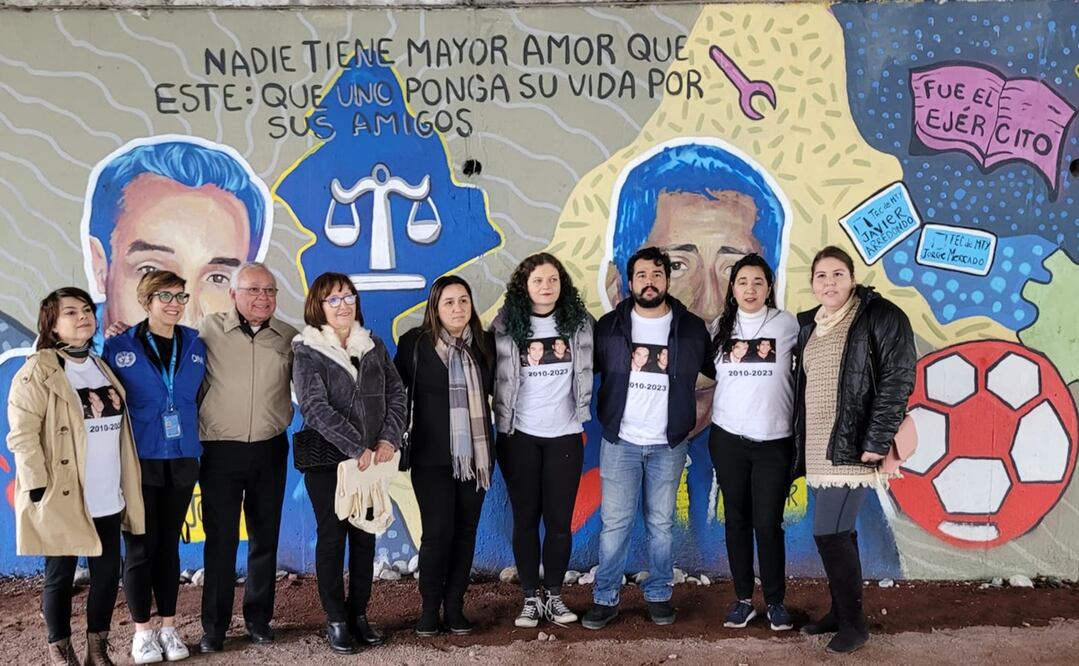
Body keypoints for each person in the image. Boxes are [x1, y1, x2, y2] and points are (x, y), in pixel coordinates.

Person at [6, 287, 144, 665]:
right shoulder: (39, 369)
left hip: (106, 491)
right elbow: (22, 434)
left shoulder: (100, 366)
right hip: (62, 493)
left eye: (86, 310)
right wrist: (37, 486)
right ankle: (60, 651)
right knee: (60, 575)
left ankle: (97, 650)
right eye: (71, 312)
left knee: (105, 574)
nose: (83, 316)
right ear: (52, 323)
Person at [582, 247, 713, 630]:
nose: (649, 281)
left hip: (668, 444)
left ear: (666, 279)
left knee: (661, 524)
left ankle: (658, 595)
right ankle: (605, 597)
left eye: (657, 274)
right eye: (641, 275)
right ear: (630, 281)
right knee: (615, 524)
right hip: (620, 441)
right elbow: (586, 367)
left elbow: (717, 369)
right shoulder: (609, 326)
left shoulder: (691, 328)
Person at [794, 246, 915, 653]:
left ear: (852, 277)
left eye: (837, 274)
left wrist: (878, 441)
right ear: (812, 283)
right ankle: (839, 613)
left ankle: (855, 625)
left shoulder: (879, 316)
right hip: (820, 447)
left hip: (854, 448)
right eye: (821, 276)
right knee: (839, 533)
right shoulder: (810, 325)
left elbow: (898, 378)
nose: (829, 283)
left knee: (828, 533)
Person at [292, 273, 407, 654]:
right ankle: (336, 619)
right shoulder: (307, 350)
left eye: (348, 296)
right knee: (332, 538)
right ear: (318, 307)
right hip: (330, 464)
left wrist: (388, 438)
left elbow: (396, 394)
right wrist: (355, 446)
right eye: (333, 299)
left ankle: (359, 614)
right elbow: (314, 407)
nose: (343, 304)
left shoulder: (372, 344)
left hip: (373, 459)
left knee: (364, 538)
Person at [103, 271, 206, 663]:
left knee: (168, 545)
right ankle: (143, 632)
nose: (174, 303)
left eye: (180, 296)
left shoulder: (196, 343)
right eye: (165, 296)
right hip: (139, 459)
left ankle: (169, 627)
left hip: (182, 457)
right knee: (141, 545)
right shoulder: (119, 346)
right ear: (146, 301)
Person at [197, 262, 298, 653]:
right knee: (220, 541)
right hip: (220, 451)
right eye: (254, 290)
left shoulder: (288, 337)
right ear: (234, 294)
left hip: (270, 448)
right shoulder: (206, 332)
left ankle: (258, 618)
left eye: (270, 291)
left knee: (264, 538)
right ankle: (215, 627)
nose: (263, 298)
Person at [491, 252, 594, 628]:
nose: (547, 287)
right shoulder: (505, 326)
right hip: (519, 436)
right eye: (538, 281)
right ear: (525, 286)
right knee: (525, 518)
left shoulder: (580, 324)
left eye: (553, 280)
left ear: (562, 284)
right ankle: (530, 599)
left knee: (559, 522)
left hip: (565, 433)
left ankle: (554, 596)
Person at [394, 276, 494, 637]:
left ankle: (454, 607)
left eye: (463, 300)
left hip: (477, 456)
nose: (457, 308)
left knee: (465, 532)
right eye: (449, 302)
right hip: (430, 456)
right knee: (437, 532)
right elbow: (394, 393)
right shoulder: (414, 344)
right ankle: (428, 608)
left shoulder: (484, 344)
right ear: (435, 308)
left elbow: (500, 390)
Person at [84, 137, 271, 330]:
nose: (186, 317)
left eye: (218, 279)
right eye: (152, 270)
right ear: (100, 268)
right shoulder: (65, 358)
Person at [707, 254, 800, 632]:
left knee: (768, 523)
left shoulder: (788, 324)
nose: (750, 289)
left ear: (769, 287)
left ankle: (776, 601)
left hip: (774, 442)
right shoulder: (718, 327)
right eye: (743, 282)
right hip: (728, 438)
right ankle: (743, 599)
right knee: (737, 521)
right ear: (733, 288)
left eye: (758, 282)